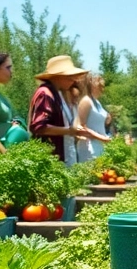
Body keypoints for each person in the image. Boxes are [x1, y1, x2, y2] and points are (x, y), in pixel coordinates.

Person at [30, 55, 91, 220]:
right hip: (53, 160)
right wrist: (69, 131)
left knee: (65, 202)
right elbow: (38, 127)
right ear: (58, 76)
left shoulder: (57, 94)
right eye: (69, 76)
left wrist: (71, 131)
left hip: (62, 159)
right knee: (56, 206)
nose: (73, 80)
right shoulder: (45, 94)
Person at [76, 73, 112, 160]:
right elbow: (80, 127)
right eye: (98, 83)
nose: (102, 87)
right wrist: (101, 138)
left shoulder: (97, 102)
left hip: (99, 145)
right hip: (88, 147)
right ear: (91, 85)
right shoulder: (86, 101)